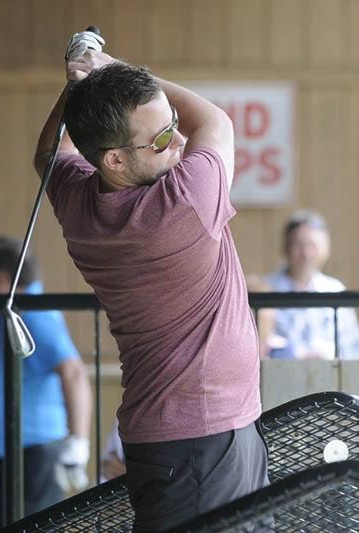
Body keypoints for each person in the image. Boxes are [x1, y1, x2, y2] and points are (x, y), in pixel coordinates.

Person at [34, 31, 268, 531]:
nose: (180, 140)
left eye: (173, 125)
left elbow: (49, 156)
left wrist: (84, 87)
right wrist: (104, 66)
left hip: (187, 436)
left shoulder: (78, 202)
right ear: (114, 159)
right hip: (203, 441)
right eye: (161, 138)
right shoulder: (183, 201)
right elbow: (217, 121)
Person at [0, 235, 92, 532]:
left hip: (28, 463)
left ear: (4, 280)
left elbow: (73, 373)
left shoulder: (31, 313)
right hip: (0, 466)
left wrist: (78, 442)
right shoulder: (10, 311)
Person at [267, 210, 359, 359]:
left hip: (330, 379)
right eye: (299, 245)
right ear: (285, 248)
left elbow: (352, 349)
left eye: (313, 246)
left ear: (326, 250)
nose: (306, 253)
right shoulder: (266, 290)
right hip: (277, 378)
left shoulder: (335, 290)